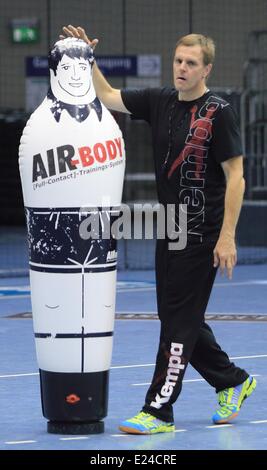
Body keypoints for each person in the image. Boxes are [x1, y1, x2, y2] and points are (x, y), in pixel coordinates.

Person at [61, 25, 257, 434]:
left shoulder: (220, 113)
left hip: (203, 231)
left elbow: (235, 177)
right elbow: (108, 96)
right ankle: (234, 380)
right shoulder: (160, 100)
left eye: (191, 64)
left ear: (206, 70)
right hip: (170, 228)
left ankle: (158, 410)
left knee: (178, 323)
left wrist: (227, 236)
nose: (182, 68)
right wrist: (89, 60)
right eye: (178, 61)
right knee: (177, 317)